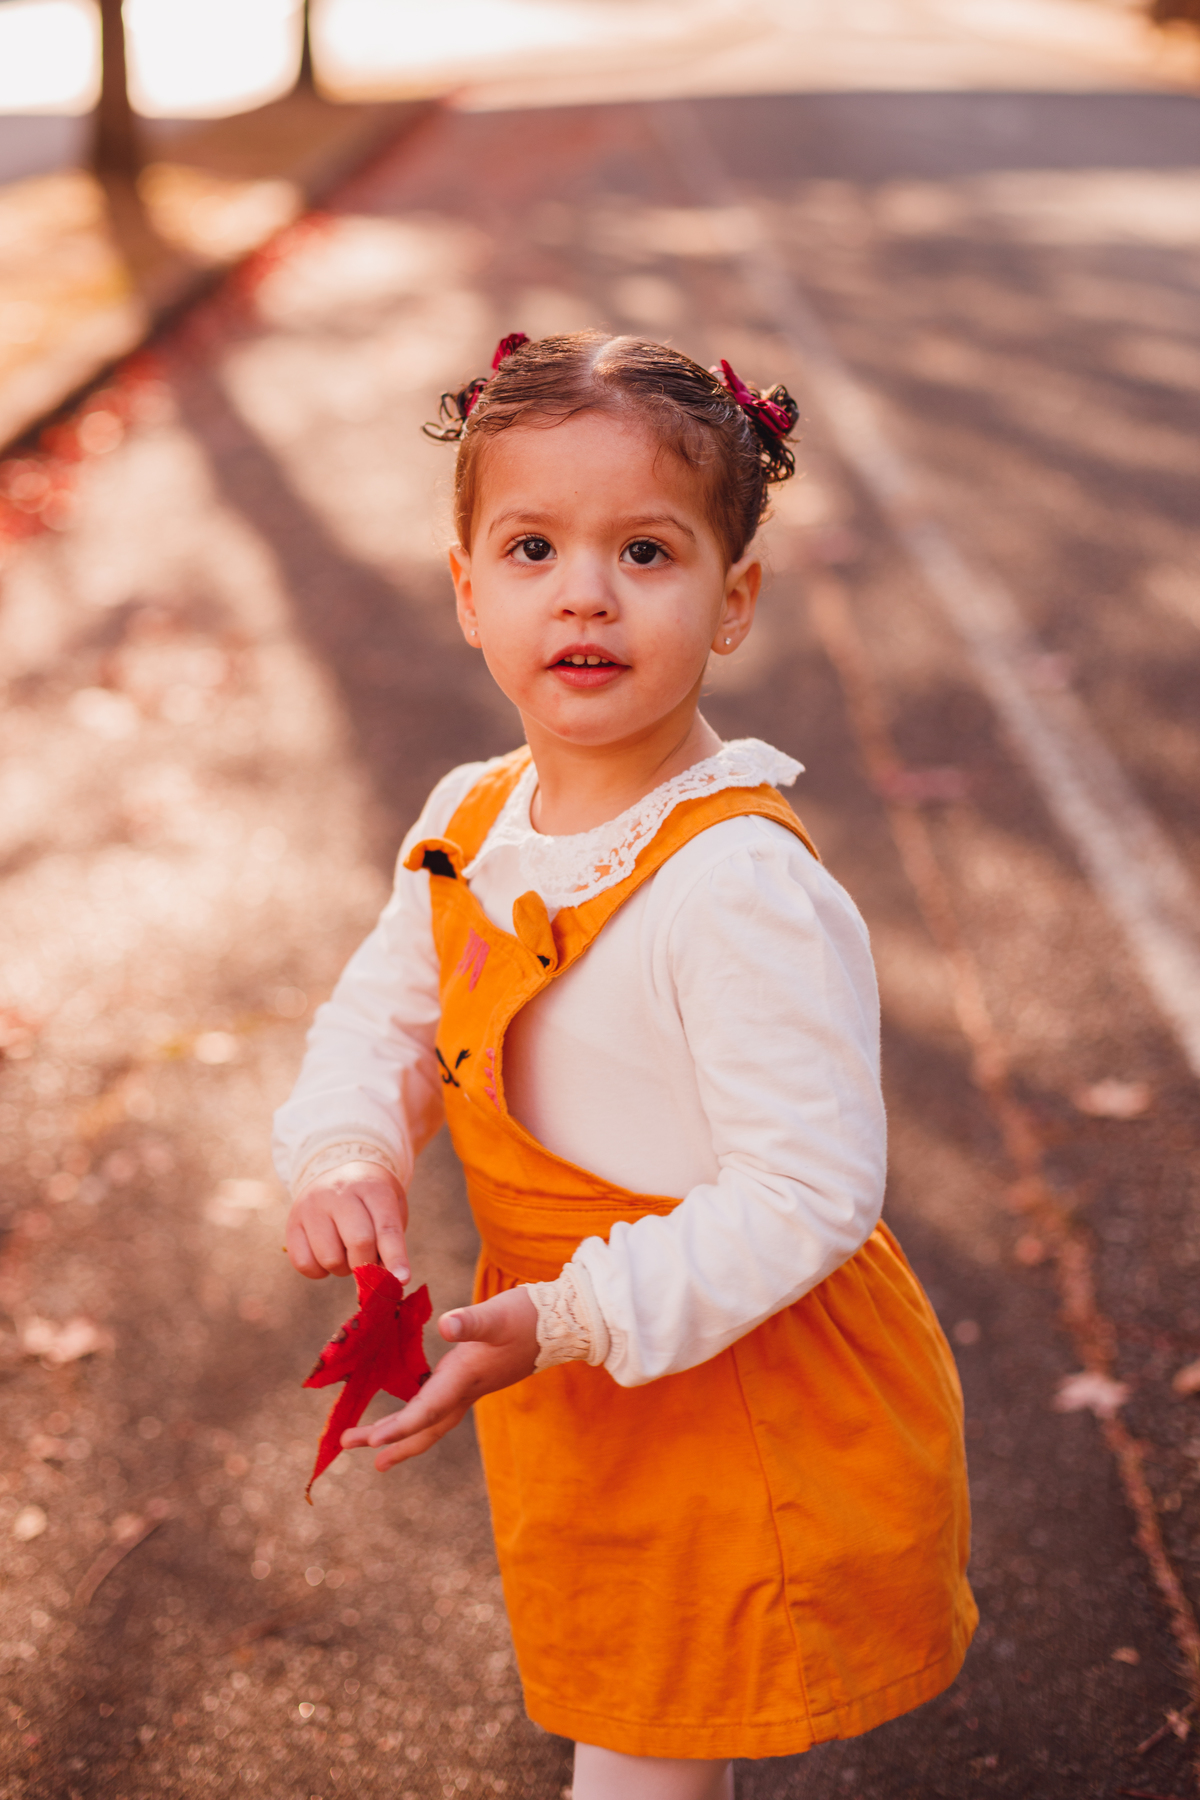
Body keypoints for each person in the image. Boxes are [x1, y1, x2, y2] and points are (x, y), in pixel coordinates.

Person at [273, 332, 976, 1800]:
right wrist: (347, 1148)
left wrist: (574, 1316)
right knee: (623, 1698)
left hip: (728, 1378)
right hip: (569, 1365)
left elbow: (808, 1189)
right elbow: (387, 1018)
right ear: (469, 590)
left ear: (734, 601)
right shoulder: (471, 818)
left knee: (648, 1747)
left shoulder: (736, 886)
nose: (584, 591)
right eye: (532, 546)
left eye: (646, 551)